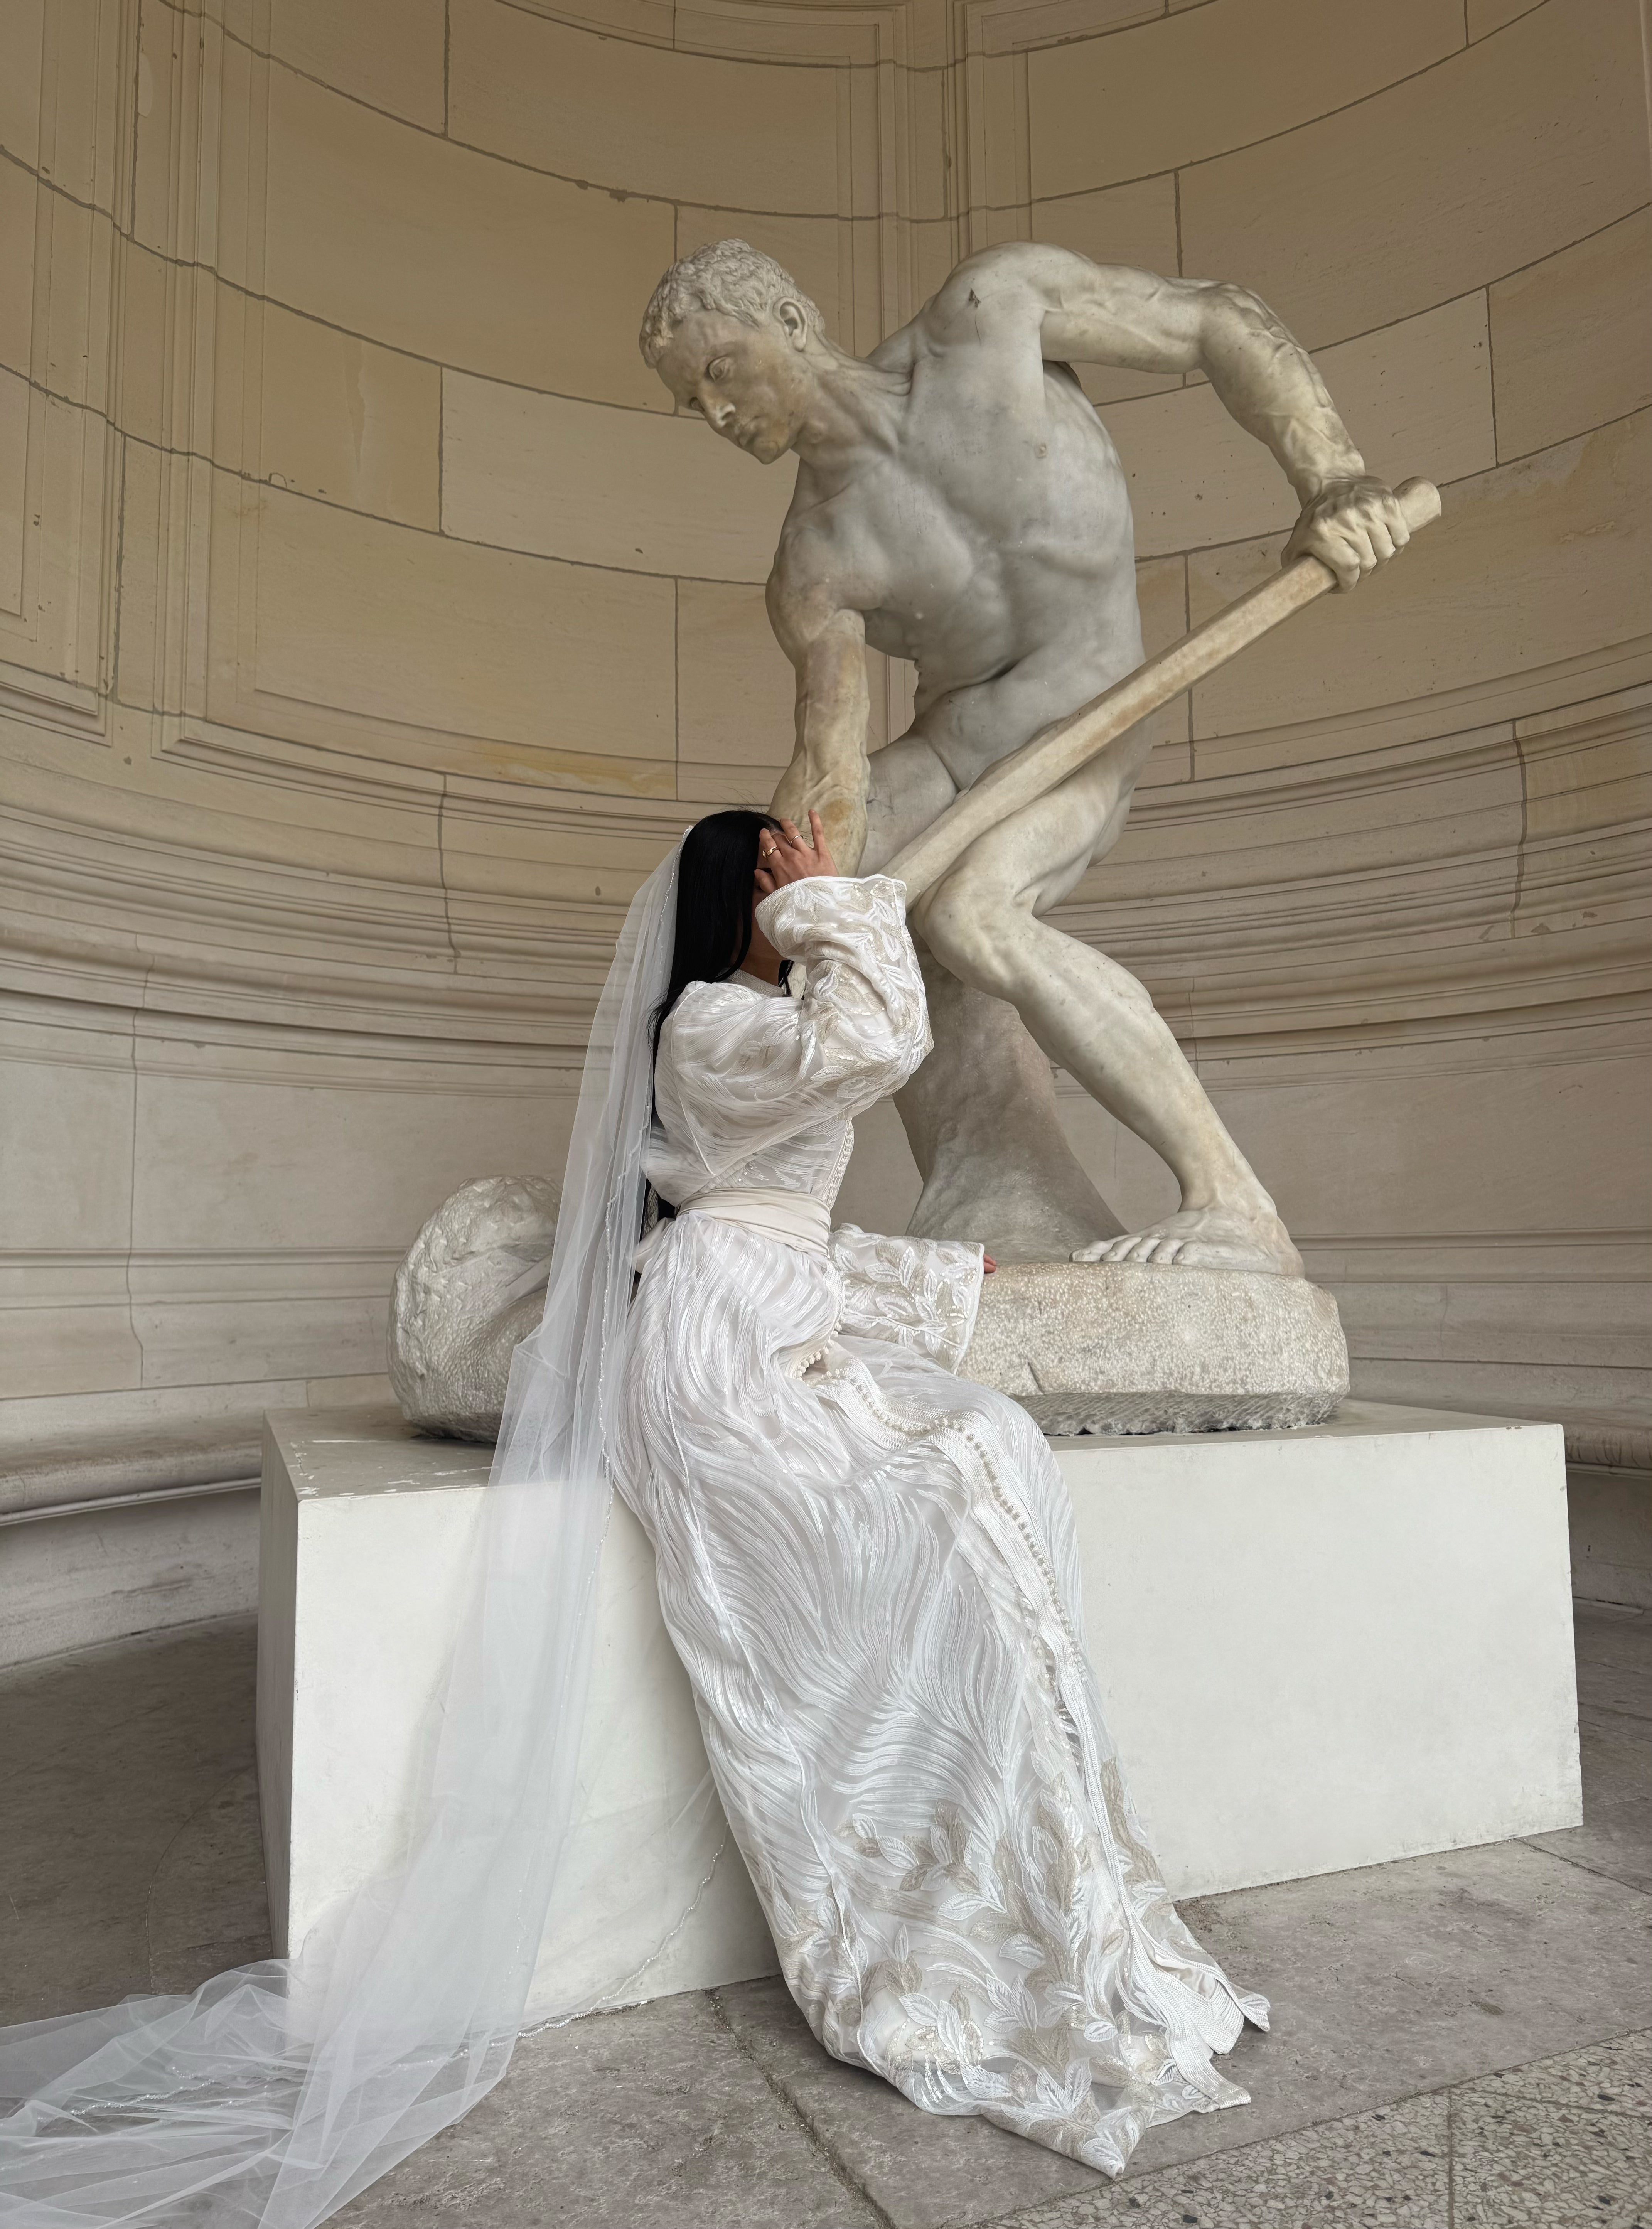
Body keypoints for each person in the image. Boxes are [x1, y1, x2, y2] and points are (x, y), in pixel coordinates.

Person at [615, 805, 1266, 2173]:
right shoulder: (707, 1022)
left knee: (991, 1444)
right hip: (725, 1341)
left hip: (785, 1296)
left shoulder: (757, 1011)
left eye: (815, 868)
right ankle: (927, 1920)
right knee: (947, 1484)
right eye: (784, 865)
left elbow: (843, 1089)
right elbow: (879, 1044)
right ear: (748, 891)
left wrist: (818, 925)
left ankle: (1055, 1885)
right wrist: (830, 912)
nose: (816, 877)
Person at [641, 238, 1412, 1275]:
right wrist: (783, 921)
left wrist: (1329, 478)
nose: (716, 415)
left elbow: (1216, 319)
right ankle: (995, 1180)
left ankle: (1232, 1201)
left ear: (787, 317)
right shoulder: (815, 559)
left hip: (1089, 715)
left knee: (970, 913)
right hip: (961, 750)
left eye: (719, 371)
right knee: (850, 877)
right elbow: (831, 766)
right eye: (693, 401)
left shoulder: (987, 315)